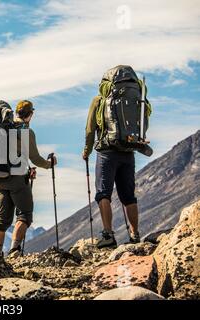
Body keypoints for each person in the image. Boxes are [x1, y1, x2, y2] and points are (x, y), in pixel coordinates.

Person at [82, 66, 143, 249]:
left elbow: (90, 129)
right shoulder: (135, 99)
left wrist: (87, 150)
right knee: (128, 196)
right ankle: (135, 234)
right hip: (128, 151)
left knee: (103, 193)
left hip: (107, 152)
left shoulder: (99, 100)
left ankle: (108, 234)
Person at [0, 100, 57, 256]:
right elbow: (35, 158)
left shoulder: (2, 128)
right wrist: (50, 164)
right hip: (17, 180)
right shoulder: (26, 131)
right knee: (24, 215)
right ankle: (14, 250)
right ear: (31, 114)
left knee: (2, 219)